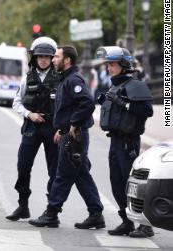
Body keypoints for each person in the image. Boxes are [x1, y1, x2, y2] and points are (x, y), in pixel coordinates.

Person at [29, 46, 105, 229]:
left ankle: (52, 213)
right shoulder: (65, 79)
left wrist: (73, 124)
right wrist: (62, 129)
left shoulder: (74, 80)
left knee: (62, 174)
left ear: (67, 60)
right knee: (80, 174)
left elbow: (87, 103)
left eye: (56, 56)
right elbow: (68, 109)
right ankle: (96, 213)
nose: (53, 59)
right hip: (69, 134)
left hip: (75, 136)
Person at [95, 46, 154, 238]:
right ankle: (127, 221)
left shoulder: (135, 85)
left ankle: (145, 225)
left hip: (129, 141)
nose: (109, 68)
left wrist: (123, 103)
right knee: (116, 182)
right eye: (108, 64)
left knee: (133, 185)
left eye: (112, 64)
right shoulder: (115, 85)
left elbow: (147, 111)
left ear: (123, 65)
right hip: (116, 140)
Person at [6, 37, 59, 221]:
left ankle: (52, 211)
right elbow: (16, 102)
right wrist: (30, 114)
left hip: (52, 129)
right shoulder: (27, 78)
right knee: (23, 166)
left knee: (54, 169)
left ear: (52, 58)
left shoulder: (60, 79)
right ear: (34, 58)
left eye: (47, 56)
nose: (43, 59)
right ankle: (22, 206)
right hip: (31, 127)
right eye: (40, 56)